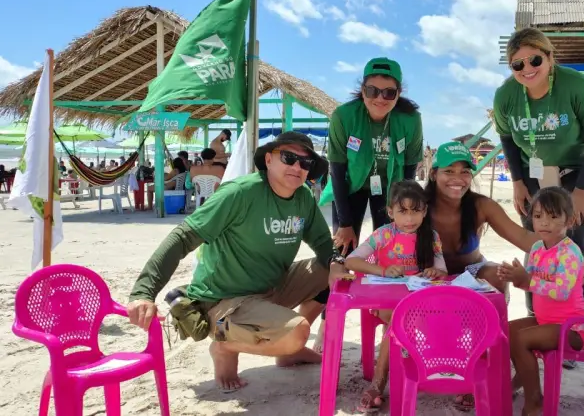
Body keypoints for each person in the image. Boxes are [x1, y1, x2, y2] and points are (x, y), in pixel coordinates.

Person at [126, 131, 351, 391]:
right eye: (289, 158)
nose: (297, 167)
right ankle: (225, 346)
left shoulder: (303, 197)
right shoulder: (240, 193)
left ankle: (288, 351)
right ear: (268, 160)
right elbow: (183, 237)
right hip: (225, 299)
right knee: (297, 332)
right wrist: (143, 292)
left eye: (306, 162)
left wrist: (336, 262)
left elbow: (323, 243)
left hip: (271, 287)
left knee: (332, 270)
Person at [493, 28, 584, 318]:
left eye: (535, 60)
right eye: (517, 64)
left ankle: (571, 322)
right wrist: (517, 181)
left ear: (549, 57)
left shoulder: (576, 86)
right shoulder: (506, 95)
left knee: (575, 244)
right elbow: (507, 138)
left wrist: (583, 190)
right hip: (531, 172)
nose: (527, 69)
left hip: (578, 170)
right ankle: (536, 316)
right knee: (537, 244)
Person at [424, 141, 541, 411]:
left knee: (498, 275)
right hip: (431, 276)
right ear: (434, 174)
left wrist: (563, 251)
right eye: (449, 171)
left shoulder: (481, 205)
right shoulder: (418, 204)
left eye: (465, 172)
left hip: (471, 271)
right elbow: (389, 237)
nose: (458, 178)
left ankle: (488, 359)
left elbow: (522, 236)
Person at [344, 180, 447, 412]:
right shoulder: (383, 235)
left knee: (408, 318)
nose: (410, 218)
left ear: (425, 211)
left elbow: (442, 270)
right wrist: (382, 270)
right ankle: (380, 380)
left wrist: (435, 271)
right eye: (403, 211)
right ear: (391, 212)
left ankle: (380, 383)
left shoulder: (431, 236)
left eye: (416, 211)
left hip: (420, 305)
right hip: (385, 304)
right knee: (399, 318)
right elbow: (351, 261)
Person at [497, 187, 584, 416]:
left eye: (553, 216)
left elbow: (562, 292)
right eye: (538, 216)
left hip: (571, 328)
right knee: (505, 332)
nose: (544, 222)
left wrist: (528, 279)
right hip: (543, 321)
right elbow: (530, 284)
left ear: (570, 220)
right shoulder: (537, 248)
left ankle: (534, 399)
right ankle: (521, 380)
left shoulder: (570, 253)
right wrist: (515, 277)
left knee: (520, 339)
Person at [324, 57, 424, 255]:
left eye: (389, 92)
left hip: (390, 187)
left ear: (398, 94)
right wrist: (344, 223)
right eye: (372, 91)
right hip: (350, 186)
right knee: (344, 248)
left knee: (390, 249)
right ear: (363, 91)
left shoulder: (411, 119)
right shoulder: (343, 116)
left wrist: (404, 209)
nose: (380, 98)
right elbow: (336, 170)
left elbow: (409, 170)